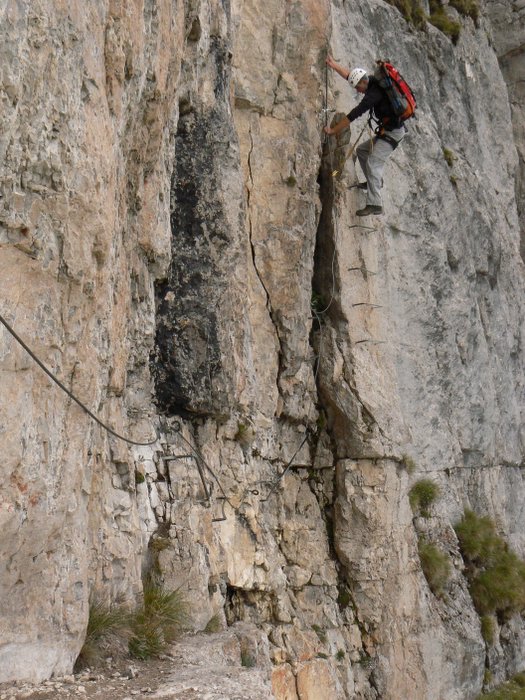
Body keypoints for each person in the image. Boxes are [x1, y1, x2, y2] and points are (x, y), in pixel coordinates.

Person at [324, 55, 406, 216]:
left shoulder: (372, 96)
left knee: (373, 162)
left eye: (358, 88)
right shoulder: (371, 81)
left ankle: (375, 204)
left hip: (393, 134)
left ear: (363, 83)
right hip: (387, 131)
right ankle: (372, 182)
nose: (357, 91)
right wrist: (334, 65)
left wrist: (333, 131)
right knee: (362, 151)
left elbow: (352, 116)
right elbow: (350, 76)